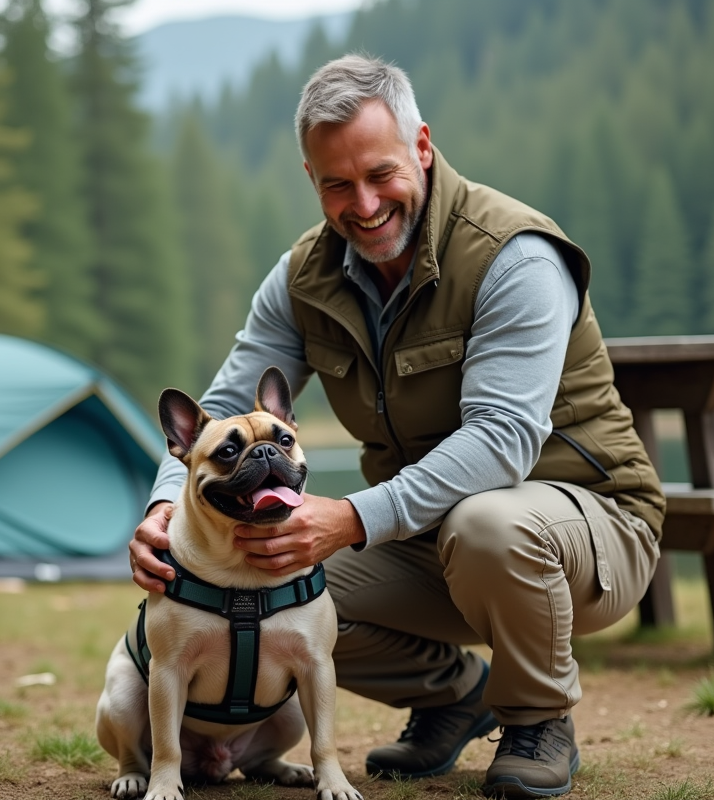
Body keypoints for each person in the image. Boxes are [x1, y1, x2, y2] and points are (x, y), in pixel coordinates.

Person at [129, 54, 664, 799]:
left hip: (586, 526)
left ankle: (539, 718)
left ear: (422, 146)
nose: (365, 204)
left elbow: (504, 441)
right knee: (265, 586)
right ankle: (454, 696)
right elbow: (218, 406)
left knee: (488, 524)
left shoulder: (516, 256)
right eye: (337, 184)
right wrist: (162, 512)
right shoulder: (302, 280)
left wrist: (349, 516)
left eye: (380, 173)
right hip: (425, 536)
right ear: (311, 178)